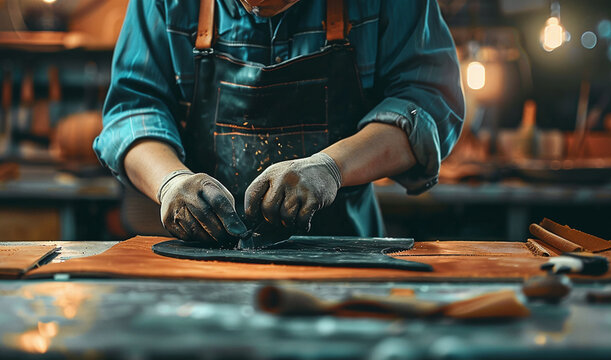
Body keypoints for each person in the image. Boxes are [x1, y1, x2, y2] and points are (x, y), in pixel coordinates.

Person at [94, 0, 465, 247]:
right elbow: (133, 109)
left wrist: (332, 167)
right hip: (202, 266)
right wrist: (170, 182)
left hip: (346, 257)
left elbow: (428, 104)